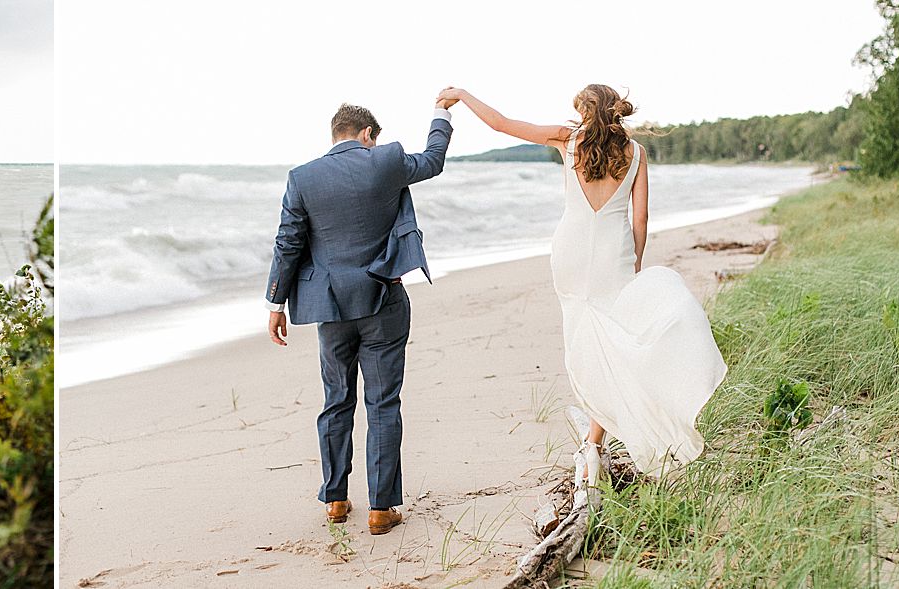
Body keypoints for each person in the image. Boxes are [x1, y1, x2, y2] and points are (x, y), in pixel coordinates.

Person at [436, 84, 726, 487]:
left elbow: (502, 125)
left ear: (587, 111)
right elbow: (640, 219)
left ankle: (591, 448)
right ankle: (595, 444)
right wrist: (637, 261)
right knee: (610, 341)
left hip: (570, 253)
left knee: (586, 344)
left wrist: (463, 96)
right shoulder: (637, 154)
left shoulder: (568, 139)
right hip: (615, 255)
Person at [263, 98, 454, 535]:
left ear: (336, 134)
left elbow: (287, 243)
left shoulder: (302, 177)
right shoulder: (383, 161)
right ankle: (381, 509)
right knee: (383, 403)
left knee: (336, 401)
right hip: (383, 300)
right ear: (368, 134)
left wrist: (276, 303)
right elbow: (433, 160)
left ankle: (334, 499)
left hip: (330, 309)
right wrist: (442, 115)